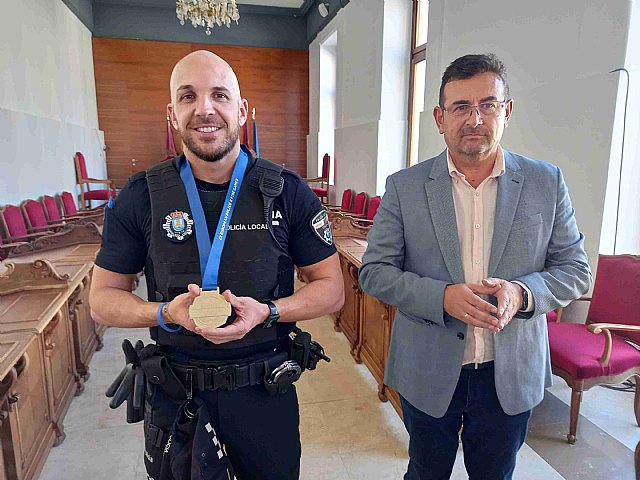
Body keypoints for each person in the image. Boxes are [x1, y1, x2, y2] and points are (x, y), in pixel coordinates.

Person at [90, 50, 344, 480]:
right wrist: (163, 312)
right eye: (188, 97)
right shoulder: (142, 195)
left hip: (264, 394)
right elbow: (102, 299)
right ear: (172, 114)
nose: (204, 109)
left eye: (219, 95)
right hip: (176, 396)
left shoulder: (286, 191)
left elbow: (331, 287)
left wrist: (270, 311)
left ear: (241, 111)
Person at [358, 53, 592, 480]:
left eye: (488, 104)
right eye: (461, 107)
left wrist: (522, 293)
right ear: (439, 117)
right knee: (425, 472)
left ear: (508, 111)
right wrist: (441, 297)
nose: (475, 118)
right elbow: (374, 272)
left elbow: (575, 270)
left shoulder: (546, 182)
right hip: (428, 368)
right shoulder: (404, 187)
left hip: (510, 373)